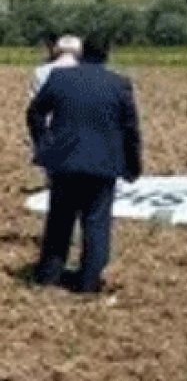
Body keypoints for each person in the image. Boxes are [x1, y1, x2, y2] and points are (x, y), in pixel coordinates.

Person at [26, 31, 142, 293]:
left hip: (63, 163)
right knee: (96, 223)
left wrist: (45, 146)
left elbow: (34, 113)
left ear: (82, 53)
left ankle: (48, 277)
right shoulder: (119, 84)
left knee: (59, 221)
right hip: (102, 166)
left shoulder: (59, 77)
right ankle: (88, 283)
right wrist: (132, 165)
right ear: (107, 54)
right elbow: (131, 129)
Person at [30, 34, 82, 100]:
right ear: (80, 52)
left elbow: (34, 100)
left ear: (57, 50)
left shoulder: (40, 71)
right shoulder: (87, 73)